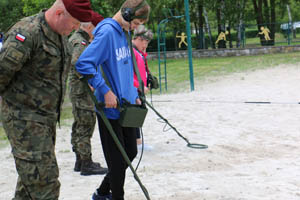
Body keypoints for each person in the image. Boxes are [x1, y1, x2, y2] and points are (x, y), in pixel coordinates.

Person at [0, 0, 94, 199]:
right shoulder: (28, 33)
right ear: (59, 13)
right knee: (46, 186)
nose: (75, 29)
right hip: (23, 120)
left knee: (28, 188)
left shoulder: (59, 35)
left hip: (45, 121)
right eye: (75, 24)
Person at [75, 0, 150, 199]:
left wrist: (134, 95)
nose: (135, 28)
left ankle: (101, 192)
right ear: (126, 14)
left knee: (131, 152)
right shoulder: (107, 32)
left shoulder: (125, 33)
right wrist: (105, 90)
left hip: (126, 107)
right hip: (109, 109)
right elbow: (83, 63)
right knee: (117, 163)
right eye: (135, 23)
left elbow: (125, 68)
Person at [68, 11, 108, 176]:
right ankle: (86, 163)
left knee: (79, 124)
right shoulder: (81, 42)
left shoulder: (75, 38)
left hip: (77, 89)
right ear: (90, 26)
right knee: (86, 124)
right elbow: (78, 63)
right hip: (81, 91)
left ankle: (79, 160)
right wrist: (90, 81)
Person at [132, 25, 153, 151]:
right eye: (145, 43)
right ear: (139, 38)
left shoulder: (138, 52)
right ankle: (137, 143)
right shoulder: (132, 51)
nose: (145, 46)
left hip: (140, 89)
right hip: (135, 89)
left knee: (138, 114)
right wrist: (138, 86)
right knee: (134, 115)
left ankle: (138, 142)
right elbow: (128, 73)